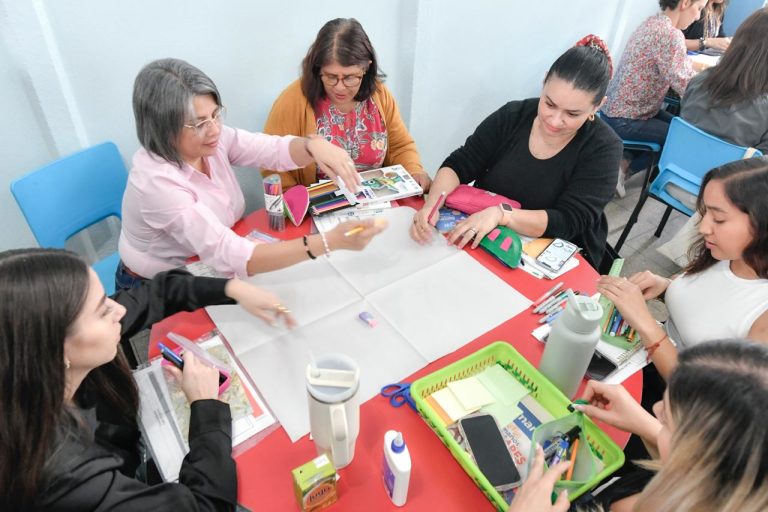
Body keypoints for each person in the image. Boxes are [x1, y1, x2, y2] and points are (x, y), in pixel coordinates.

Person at [0, 248, 295, 510]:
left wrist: (233, 288)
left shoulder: (24, 360)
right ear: (55, 348)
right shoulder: (67, 475)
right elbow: (205, 506)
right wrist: (205, 405)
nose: (118, 310)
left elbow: (161, 292)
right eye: (102, 310)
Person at [118, 58, 385, 290]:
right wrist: (328, 242)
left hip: (205, 261)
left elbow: (269, 149)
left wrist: (312, 146)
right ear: (163, 128)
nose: (214, 129)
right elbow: (227, 252)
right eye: (199, 123)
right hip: (157, 284)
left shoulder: (212, 139)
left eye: (215, 115)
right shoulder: (156, 183)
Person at [410, 35, 622, 269]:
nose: (554, 120)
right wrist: (432, 206)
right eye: (549, 104)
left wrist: (503, 215)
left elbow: (568, 221)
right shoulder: (513, 116)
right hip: (489, 240)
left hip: (552, 257)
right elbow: (459, 165)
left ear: (597, 105)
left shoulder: (603, 149)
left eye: (572, 114)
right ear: (544, 81)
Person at [510, 339, 768, 512]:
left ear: (699, 455)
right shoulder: (720, 481)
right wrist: (645, 425)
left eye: (667, 419)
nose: (655, 409)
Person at [597, 157, 768, 381]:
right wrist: (664, 286)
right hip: (638, 359)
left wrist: (645, 324)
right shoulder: (726, 254)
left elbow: (708, 396)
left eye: (718, 219)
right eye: (704, 213)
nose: (703, 227)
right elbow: (708, 296)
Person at [261, 18, 430, 191]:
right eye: (331, 76)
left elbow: (400, 146)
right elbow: (273, 163)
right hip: (317, 204)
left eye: (349, 77)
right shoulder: (293, 100)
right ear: (318, 69)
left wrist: (414, 171)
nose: (340, 87)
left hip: (376, 198)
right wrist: (297, 201)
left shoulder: (379, 95)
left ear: (366, 68)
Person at [601, 0, 707, 194]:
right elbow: (688, 87)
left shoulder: (652, 23)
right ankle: (624, 169)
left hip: (615, 109)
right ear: (685, 3)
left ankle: (622, 162)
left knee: (676, 125)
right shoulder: (672, 35)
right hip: (626, 118)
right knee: (680, 138)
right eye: (699, 8)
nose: (698, 16)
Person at [681, 8, 768, 153]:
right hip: (725, 168)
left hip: (675, 163)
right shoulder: (763, 110)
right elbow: (759, 163)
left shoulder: (699, 80)